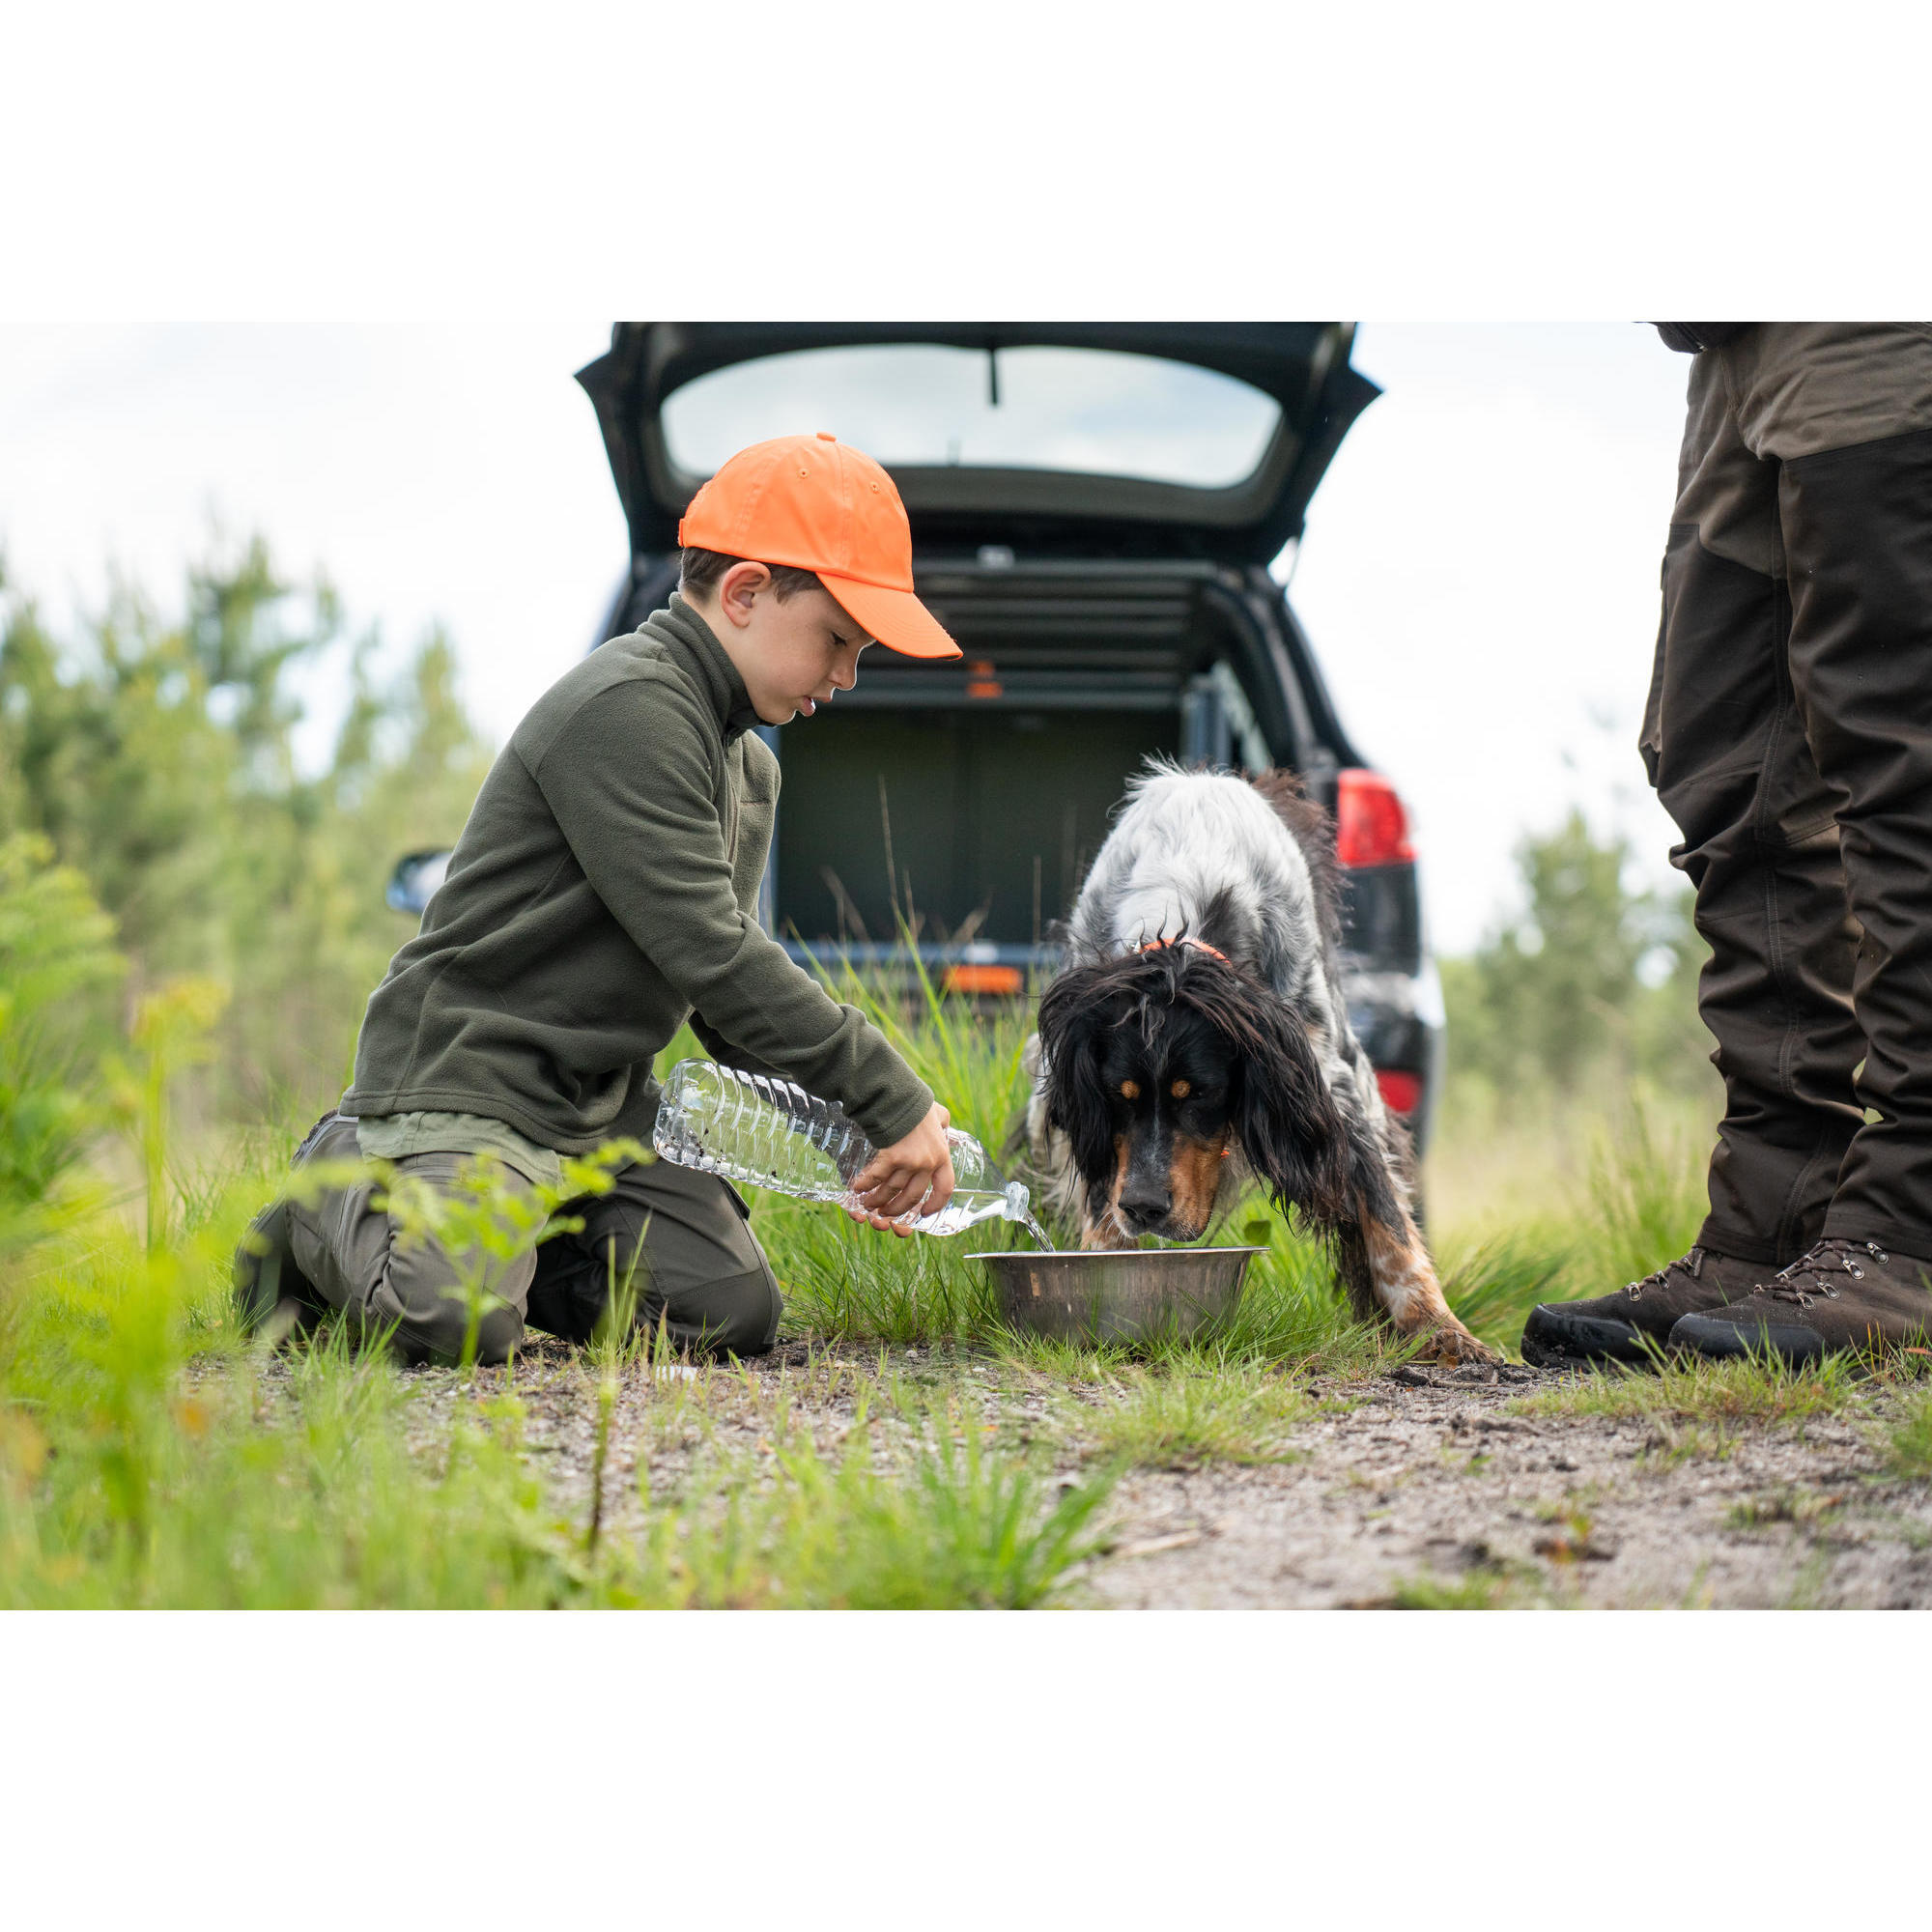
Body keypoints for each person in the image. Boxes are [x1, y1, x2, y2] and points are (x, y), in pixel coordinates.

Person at [237, 432, 963, 1364]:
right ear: (743, 592)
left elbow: (718, 1001)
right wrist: (889, 1091)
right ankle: (321, 1214)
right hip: (476, 1087)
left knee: (726, 1313)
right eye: (836, 639)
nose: (846, 676)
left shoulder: (747, 765)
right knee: (449, 1322)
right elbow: (714, 949)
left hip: (598, 1114)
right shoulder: (627, 707)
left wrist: (854, 1137)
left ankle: (499, 1243)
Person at [1524, 323, 1932, 1367]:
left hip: (1873, 329)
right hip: (1731, 347)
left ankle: (1910, 1225)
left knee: (1897, 754)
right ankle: (1777, 1216)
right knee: (1723, 764)